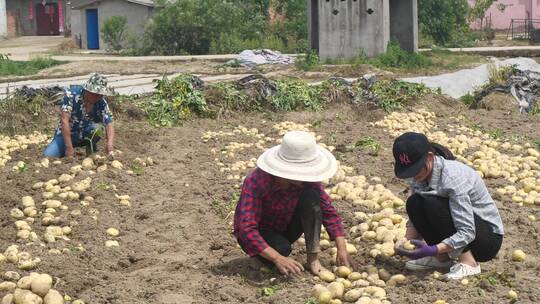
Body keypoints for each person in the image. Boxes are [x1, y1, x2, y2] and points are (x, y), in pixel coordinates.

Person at [233, 131, 353, 276]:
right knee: (282, 248)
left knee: (312, 197)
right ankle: (261, 257)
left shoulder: (307, 182)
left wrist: (342, 247)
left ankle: (312, 260)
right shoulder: (257, 181)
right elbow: (246, 229)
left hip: (287, 226)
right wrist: (277, 258)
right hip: (261, 232)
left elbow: (327, 211)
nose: (307, 176)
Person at [393, 132, 504, 280]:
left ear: (430, 157)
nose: (414, 175)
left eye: (416, 169)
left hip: (486, 240)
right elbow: (417, 213)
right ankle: (442, 259)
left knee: (433, 203)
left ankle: (469, 263)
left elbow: (467, 231)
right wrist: (405, 240)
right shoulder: (420, 175)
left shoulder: (453, 177)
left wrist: (433, 248)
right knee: (414, 202)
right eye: (410, 171)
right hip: (463, 231)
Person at [43, 73, 115, 158]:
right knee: (48, 155)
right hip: (68, 134)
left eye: (100, 95)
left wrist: (110, 143)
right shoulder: (71, 95)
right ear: (88, 90)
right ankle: (67, 146)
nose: (98, 97)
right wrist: (68, 147)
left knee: (97, 128)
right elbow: (64, 121)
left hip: (85, 133)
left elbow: (109, 123)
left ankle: (91, 149)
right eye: (95, 94)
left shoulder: (101, 102)